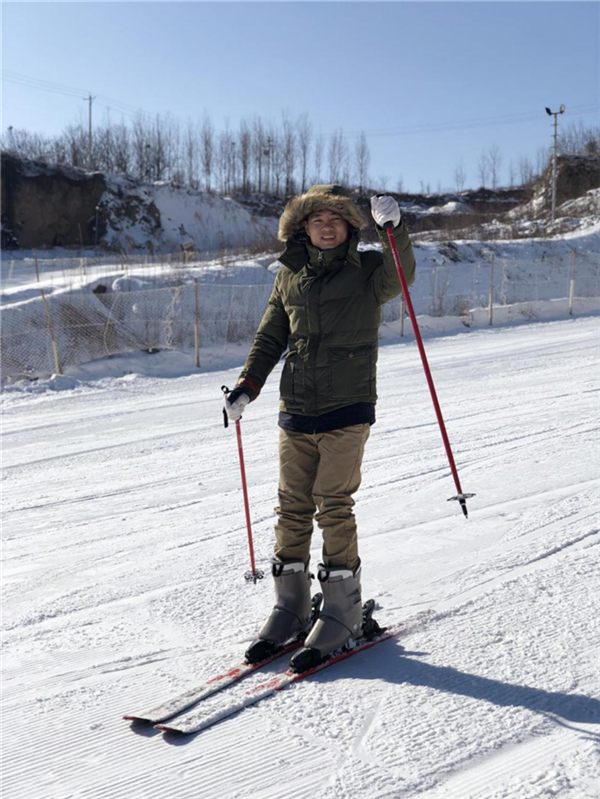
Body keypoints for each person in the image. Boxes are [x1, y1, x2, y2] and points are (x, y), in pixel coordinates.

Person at [224, 184, 416, 672]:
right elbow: (271, 333)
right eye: (316, 220)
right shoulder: (289, 276)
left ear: (351, 227)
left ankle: (343, 609)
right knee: (291, 506)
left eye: (336, 219)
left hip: (347, 408)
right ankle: (290, 606)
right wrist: (248, 385)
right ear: (302, 229)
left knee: (333, 505)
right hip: (296, 407)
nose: (326, 226)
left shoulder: (369, 270)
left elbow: (402, 276)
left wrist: (394, 229)